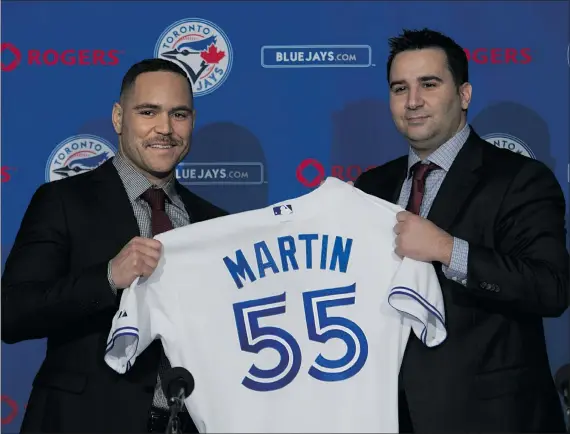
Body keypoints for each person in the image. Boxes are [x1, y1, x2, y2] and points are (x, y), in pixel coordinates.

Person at [354, 28, 569, 432]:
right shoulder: (371, 187)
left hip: (490, 419)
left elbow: (551, 287)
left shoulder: (520, 179)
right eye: (400, 88)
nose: (413, 101)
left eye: (429, 85)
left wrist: (448, 249)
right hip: (386, 414)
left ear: (465, 95)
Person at [1, 58, 228, 433]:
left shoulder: (215, 223)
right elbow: (11, 313)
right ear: (119, 119)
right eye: (148, 111)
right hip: (83, 422)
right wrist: (108, 277)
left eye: (179, 114)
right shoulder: (63, 201)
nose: (165, 128)